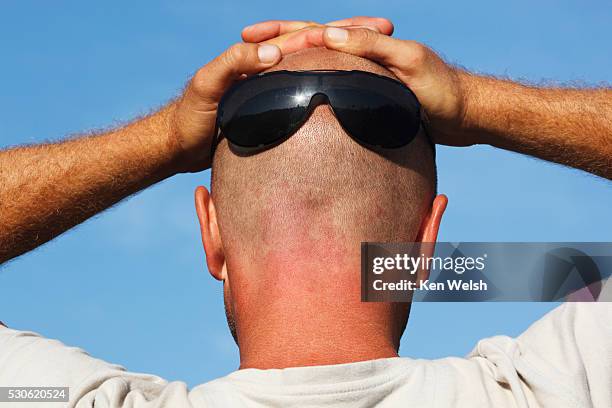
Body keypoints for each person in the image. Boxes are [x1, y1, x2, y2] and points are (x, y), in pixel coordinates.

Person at [0, 17, 610, 408]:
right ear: (427, 245)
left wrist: (160, 140)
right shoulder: (561, 384)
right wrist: (476, 103)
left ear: (210, 233)